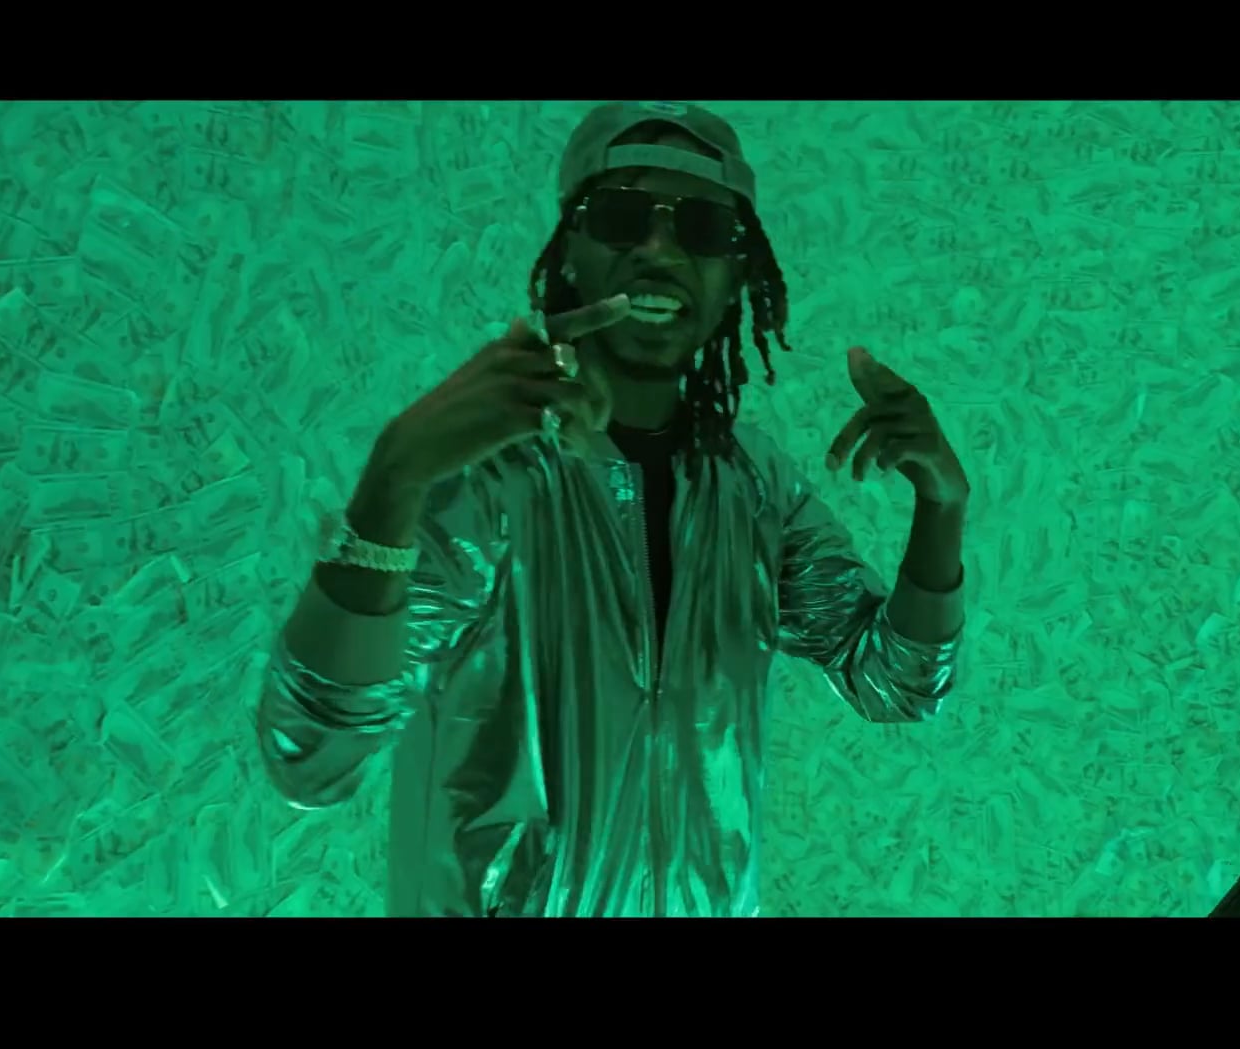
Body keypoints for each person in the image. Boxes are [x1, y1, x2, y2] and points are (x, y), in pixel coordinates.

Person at [255, 102, 972, 917]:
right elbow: (310, 758)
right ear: (570, 252)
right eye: (622, 216)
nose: (660, 249)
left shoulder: (753, 488)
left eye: (704, 227)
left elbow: (896, 683)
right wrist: (393, 483)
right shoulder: (487, 481)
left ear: (738, 276)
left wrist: (943, 504)